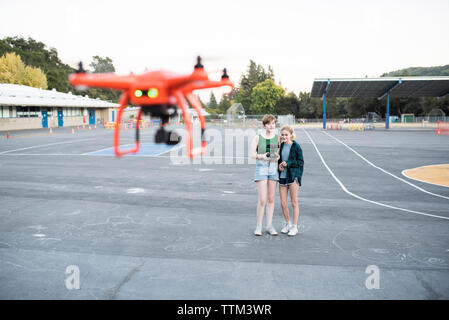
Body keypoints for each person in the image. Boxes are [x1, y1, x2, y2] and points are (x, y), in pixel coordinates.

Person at [250, 114, 280, 236]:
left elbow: (278, 154)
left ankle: (269, 225)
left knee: (271, 199)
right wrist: (262, 156)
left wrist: (276, 157)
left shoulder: (277, 138)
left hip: (273, 168)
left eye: (273, 123)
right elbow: (252, 154)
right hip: (261, 167)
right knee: (262, 200)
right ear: (264, 125)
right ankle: (259, 226)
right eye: (268, 123)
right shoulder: (258, 137)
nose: (271, 125)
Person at [278, 125, 304, 236]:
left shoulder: (296, 146)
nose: (284, 136)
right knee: (283, 203)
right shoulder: (281, 146)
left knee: (294, 202)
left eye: (286, 135)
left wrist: (288, 163)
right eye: (282, 134)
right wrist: (279, 167)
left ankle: (294, 226)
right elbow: (275, 158)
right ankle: (288, 224)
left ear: (291, 135)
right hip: (282, 177)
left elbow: (300, 162)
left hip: (293, 177)